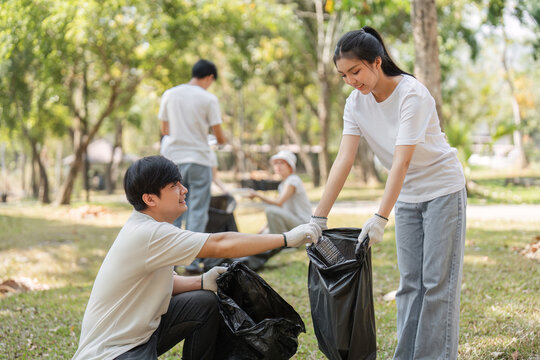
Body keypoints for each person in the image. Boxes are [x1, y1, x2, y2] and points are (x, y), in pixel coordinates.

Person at [309, 27, 466, 360]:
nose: (351, 80)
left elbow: (402, 159)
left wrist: (381, 216)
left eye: (356, 71)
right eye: (343, 75)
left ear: (376, 62)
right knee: (409, 283)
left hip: (442, 190)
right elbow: (344, 158)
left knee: (437, 284)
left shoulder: (412, 93)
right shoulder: (356, 103)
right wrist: (318, 216)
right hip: (407, 196)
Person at [72, 156, 321, 360]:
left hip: (141, 336)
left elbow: (164, 282)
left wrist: (202, 281)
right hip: (112, 352)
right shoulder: (149, 233)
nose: (184, 190)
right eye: (174, 187)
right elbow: (220, 243)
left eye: (180, 183)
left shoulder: (148, 227)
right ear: (150, 199)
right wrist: (287, 238)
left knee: (204, 302)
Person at [159, 59, 226, 273]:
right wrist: (220, 143)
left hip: (173, 161)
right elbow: (219, 135)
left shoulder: (170, 94)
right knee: (197, 211)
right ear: (209, 78)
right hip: (199, 160)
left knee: (173, 210)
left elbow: (164, 128)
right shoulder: (208, 98)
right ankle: (194, 261)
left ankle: (172, 261)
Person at [247, 150, 312, 235]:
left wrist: (257, 195)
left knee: (270, 210)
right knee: (263, 235)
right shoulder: (282, 185)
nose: (278, 166)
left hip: (303, 224)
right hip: (292, 223)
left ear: (290, 167)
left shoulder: (293, 180)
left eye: (282, 163)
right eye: (276, 163)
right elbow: (278, 211)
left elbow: (278, 203)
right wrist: (259, 233)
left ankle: (281, 245)